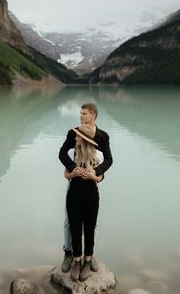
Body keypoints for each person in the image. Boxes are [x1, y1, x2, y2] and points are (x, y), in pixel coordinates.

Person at [59, 102, 113, 273]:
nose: (80, 116)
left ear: (93, 115)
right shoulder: (73, 132)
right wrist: (73, 169)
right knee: (70, 221)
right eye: (80, 113)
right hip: (75, 181)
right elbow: (62, 153)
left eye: (84, 113)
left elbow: (109, 160)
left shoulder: (102, 137)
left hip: (91, 181)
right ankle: (70, 253)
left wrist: (96, 173)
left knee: (90, 223)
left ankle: (88, 255)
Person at [64, 124, 103, 281]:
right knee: (75, 228)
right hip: (73, 194)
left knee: (89, 228)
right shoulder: (73, 152)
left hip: (91, 196)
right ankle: (77, 261)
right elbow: (66, 174)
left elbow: (101, 178)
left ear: (85, 140)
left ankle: (87, 261)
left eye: (78, 136)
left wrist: (93, 176)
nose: (75, 138)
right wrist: (73, 173)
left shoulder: (98, 156)